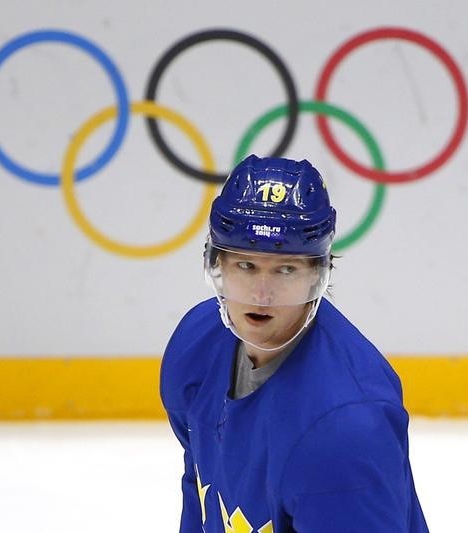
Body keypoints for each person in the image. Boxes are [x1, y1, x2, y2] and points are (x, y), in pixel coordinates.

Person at [160, 154, 428, 532]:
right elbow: (202, 493)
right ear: (217, 265)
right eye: (245, 266)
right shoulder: (194, 348)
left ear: (318, 275)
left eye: (286, 270)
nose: (262, 294)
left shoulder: (344, 428)